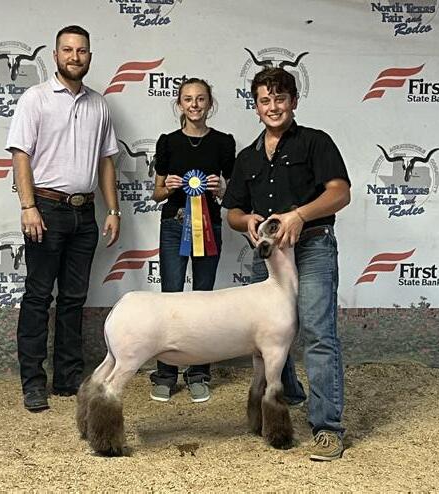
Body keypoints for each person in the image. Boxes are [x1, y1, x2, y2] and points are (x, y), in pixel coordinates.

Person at [222, 67, 351, 461]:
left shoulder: (315, 142)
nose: (273, 107)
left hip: (311, 246)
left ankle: (327, 427)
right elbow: (233, 211)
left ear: (293, 101)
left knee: (316, 332)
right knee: (271, 331)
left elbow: (340, 193)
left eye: (280, 99)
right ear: (256, 106)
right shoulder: (247, 156)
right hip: (269, 254)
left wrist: (299, 215)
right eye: (265, 100)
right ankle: (289, 394)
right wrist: (246, 221)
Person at [6, 25, 120, 412]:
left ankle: (68, 378)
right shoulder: (35, 98)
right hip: (46, 209)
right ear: (55, 56)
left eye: (82, 50)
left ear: (89, 56)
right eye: (68, 50)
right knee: (38, 296)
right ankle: (33, 382)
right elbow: (20, 155)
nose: (75, 56)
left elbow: (106, 162)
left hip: (84, 213)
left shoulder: (99, 105)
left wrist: (113, 210)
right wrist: (28, 206)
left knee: (73, 299)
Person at [149, 78, 236, 403]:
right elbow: (157, 193)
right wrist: (169, 187)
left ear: (209, 103)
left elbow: (231, 193)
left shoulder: (224, 143)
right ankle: (166, 374)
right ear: (179, 104)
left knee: (204, 302)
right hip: (174, 226)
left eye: (200, 99)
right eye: (188, 99)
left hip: (209, 226)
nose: (194, 105)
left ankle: (199, 373)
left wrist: (220, 189)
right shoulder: (168, 142)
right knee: (170, 300)